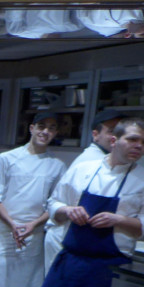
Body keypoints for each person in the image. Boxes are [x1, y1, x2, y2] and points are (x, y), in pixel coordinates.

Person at [35, 117, 144, 287]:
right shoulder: (83, 169)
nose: (139, 146)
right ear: (114, 140)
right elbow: (54, 203)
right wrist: (68, 211)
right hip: (69, 265)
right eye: (132, 139)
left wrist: (119, 220)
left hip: (109, 272)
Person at [0, 111, 66, 287]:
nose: (46, 131)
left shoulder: (57, 166)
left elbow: (55, 204)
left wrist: (32, 225)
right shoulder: (7, 158)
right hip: (4, 234)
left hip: (33, 237)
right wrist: (13, 224)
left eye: (51, 128)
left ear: (56, 133)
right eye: (41, 126)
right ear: (32, 128)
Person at [43, 109, 124, 271]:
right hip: (66, 239)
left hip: (75, 239)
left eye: (121, 131)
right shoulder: (94, 162)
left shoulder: (110, 162)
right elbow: (56, 203)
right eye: (111, 131)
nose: (117, 136)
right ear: (95, 135)